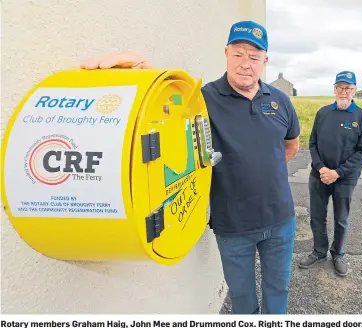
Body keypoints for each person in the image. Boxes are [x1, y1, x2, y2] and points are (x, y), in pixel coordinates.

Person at [80, 20, 301, 315]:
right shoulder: (204, 98)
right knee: (243, 299)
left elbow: (291, 145)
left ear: (265, 61)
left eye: (254, 56)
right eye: (238, 54)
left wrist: (259, 172)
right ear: (226, 53)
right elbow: (170, 110)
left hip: (280, 222)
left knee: (278, 291)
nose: (245, 64)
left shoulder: (281, 101)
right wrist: (147, 77)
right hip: (233, 227)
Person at [298, 71, 362, 277]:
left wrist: (337, 173)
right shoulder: (323, 113)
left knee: (341, 218)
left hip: (345, 178)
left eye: (348, 88)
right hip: (319, 175)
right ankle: (319, 251)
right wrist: (321, 168)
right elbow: (312, 143)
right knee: (317, 216)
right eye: (340, 87)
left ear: (355, 91)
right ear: (334, 89)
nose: (344, 92)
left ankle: (338, 254)